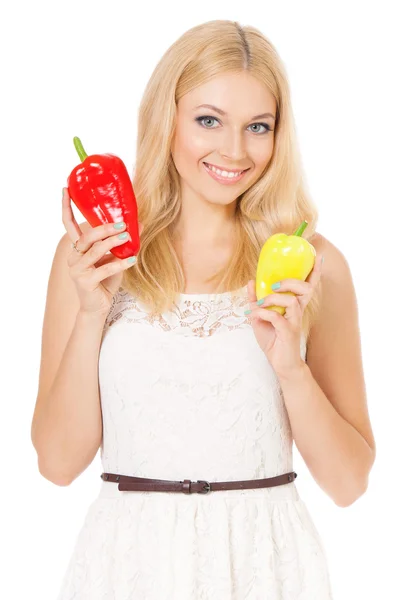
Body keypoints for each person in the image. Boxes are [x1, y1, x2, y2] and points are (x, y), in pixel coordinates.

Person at [31, 19, 376, 599]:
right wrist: (92, 314)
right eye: (208, 120)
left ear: (278, 134)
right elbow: (58, 465)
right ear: (167, 120)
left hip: (266, 565)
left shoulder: (312, 264)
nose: (234, 151)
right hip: (129, 563)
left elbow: (348, 484)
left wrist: (290, 368)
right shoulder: (92, 256)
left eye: (258, 127)